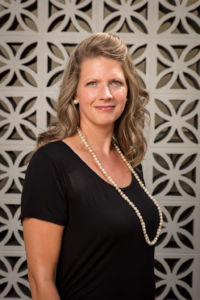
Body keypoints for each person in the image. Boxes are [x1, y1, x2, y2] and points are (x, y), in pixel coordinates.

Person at [21, 32, 163, 300]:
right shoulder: (50, 163)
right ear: (74, 93)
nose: (106, 94)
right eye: (92, 83)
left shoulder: (129, 159)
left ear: (128, 91)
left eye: (115, 83)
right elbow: (40, 282)